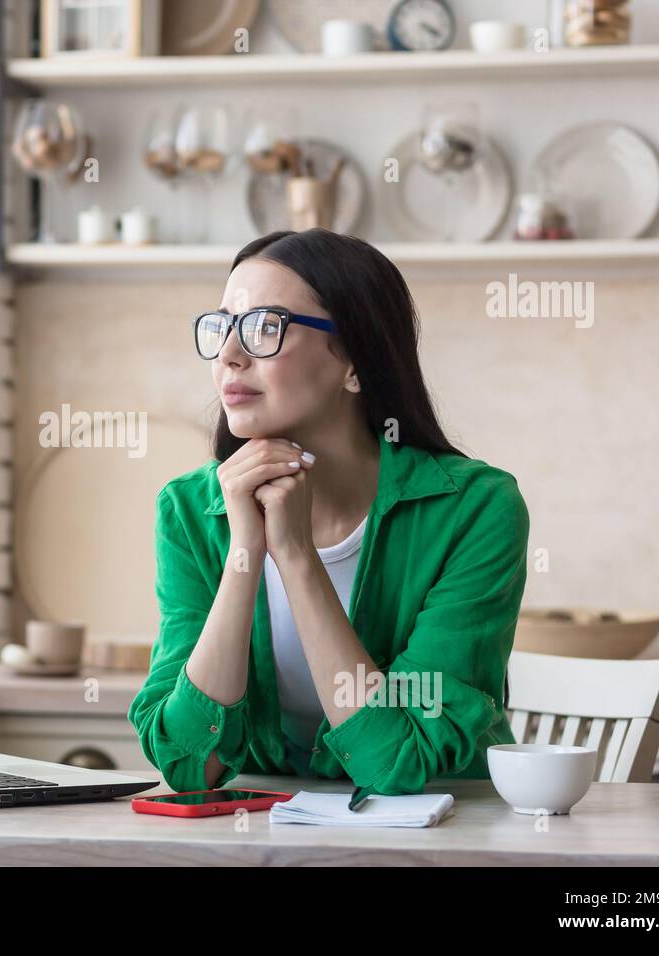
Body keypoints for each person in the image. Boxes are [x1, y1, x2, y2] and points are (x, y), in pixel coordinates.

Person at [128, 228, 530, 797]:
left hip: (445, 842)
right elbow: (191, 766)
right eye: (222, 327)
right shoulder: (190, 510)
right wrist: (245, 552)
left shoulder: (475, 509)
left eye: (266, 327)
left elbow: (398, 762)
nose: (230, 355)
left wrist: (294, 555)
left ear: (354, 362)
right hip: (269, 844)